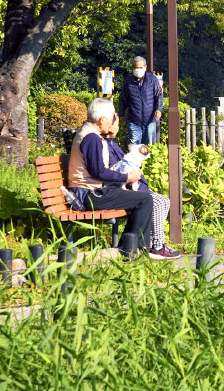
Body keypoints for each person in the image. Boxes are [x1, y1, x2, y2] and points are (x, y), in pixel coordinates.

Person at [68, 98, 181, 259]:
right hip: (90, 194)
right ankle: (133, 249)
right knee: (145, 200)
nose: (112, 124)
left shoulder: (88, 134)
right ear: (102, 119)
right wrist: (127, 176)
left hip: (91, 191)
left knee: (143, 199)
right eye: (111, 119)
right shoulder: (91, 138)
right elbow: (98, 172)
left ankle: (128, 246)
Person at [120, 56, 163, 146]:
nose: (138, 69)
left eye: (140, 67)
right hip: (134, 120)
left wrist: (159, 109)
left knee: (147, 147)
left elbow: (159, 95)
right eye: (136, 67)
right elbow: (123, 99)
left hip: (150, 120)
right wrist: (121, 114)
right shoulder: (128, 81)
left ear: (145, 67)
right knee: (134, 147)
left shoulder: (152, 80)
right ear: (133, 68)